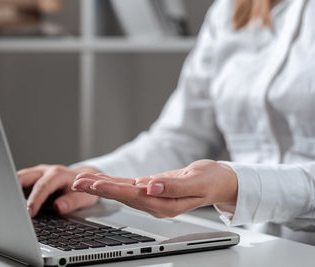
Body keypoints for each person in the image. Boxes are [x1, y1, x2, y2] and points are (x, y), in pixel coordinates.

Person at [18, 0, 315, 243]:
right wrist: (90, 178)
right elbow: (179, 139)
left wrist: (236, 186)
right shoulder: (230, 11)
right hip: (260, 248)